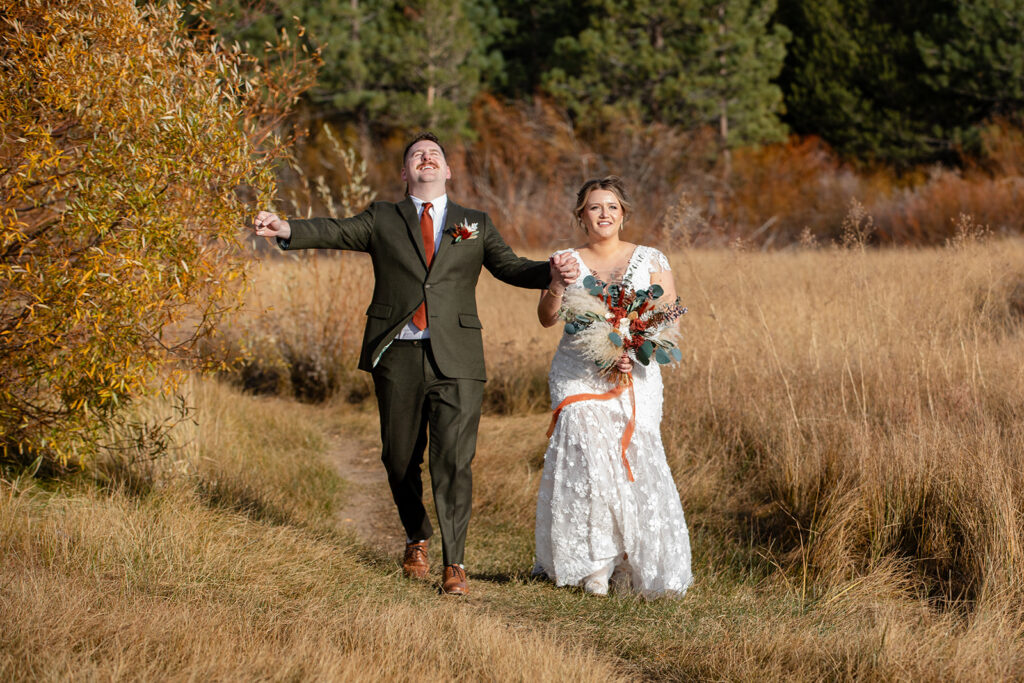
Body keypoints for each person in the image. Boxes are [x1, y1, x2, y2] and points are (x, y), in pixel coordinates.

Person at [252, 132, 578, 596]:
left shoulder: (474, 223)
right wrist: (288, 229)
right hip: (398, 354)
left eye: (435, 155)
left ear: (447, 171)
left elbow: (509, 267)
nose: (427, 158)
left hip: (459, 359)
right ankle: (416, 535)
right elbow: (337, 230)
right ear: (405, 173)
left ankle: (455, 562)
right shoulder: (383, 218)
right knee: (398, 456)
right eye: (416, 156)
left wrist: (551, 271)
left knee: (455, 460)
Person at [533, 176, 693, 597]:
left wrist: (636, 351)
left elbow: (668, 317)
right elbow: (548, 318)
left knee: (632, 464)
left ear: (623, 214)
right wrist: (555, 283)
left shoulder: (651, 258)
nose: (603, 214)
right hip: (577, 373)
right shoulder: (567, 259)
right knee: (589, 461)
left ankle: (629, 560)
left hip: (635, 372)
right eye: (593, 207)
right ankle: (594, 565)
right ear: (581, 216)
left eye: (611, 207)